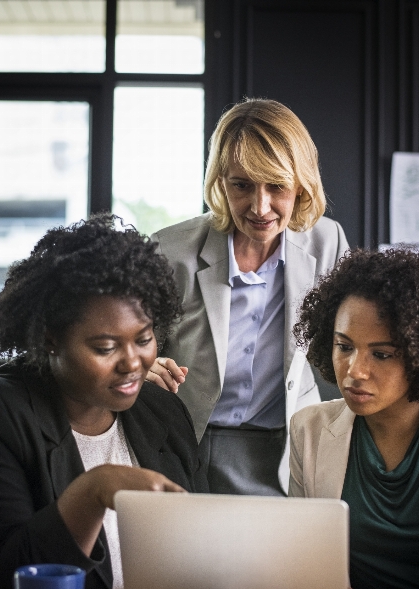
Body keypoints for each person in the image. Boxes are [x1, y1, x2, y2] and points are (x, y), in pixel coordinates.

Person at [0, 214, 208, 589]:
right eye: (105, 348)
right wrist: (94, 490)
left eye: (144, 339)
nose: (132, 363)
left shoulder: (164, 412)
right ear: (50, 341)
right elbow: (3, 585)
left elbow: (203, 552)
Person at [147, 98, 349, 495]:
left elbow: (349, 342)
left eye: (277, 186)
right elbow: (134, 351)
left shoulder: (327, 242)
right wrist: (145, 367)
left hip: (284, 442)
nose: (260, 207)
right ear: (221, 182)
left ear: (301, 185)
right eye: (242, 185)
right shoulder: (169, 252)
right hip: (185, 440)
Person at [290, 247, 419, 589]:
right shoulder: (308, 429)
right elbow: (301, 556)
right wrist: (315, 579)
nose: (355, 371)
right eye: (344, 347)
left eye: (381, 354)